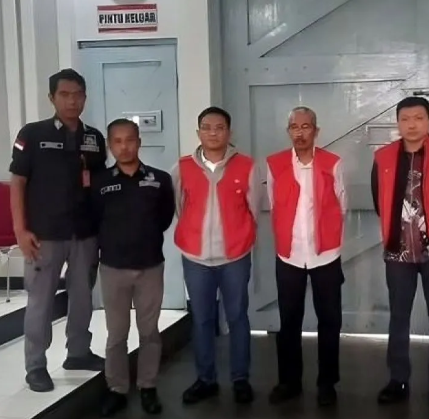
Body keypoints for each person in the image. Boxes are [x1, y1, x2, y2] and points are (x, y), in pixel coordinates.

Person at [8, 69, 106, 392]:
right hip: (44, 235)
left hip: (85, 233)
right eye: (64, 94)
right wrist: (20, 230)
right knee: (41, 301)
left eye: (78, 94)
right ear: (51, 98)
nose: (72, 101)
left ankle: (78, 353)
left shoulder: (94, 138)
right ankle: (36, 365)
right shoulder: (32, 134)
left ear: (85, 97)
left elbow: (99, 186)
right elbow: (17, 184)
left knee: (83, 297)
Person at [371, 97, 429, 408]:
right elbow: (378, 199)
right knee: (398, 318)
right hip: (397, 253)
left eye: (418, 118)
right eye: (405, 118)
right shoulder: (383, 157)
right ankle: (397, 380)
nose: (411, 124)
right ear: (398, 122)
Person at [172, 106, 259, 405]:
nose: (213, 133)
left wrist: (241, 239)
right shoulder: (182, 167)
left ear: (229, 132)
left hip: (234, 257)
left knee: (238, 317)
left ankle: (240, 379)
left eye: (219, 127)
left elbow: (254, 209)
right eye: (207, 127)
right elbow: (180, 208)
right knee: (202, 319)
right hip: (196, 259)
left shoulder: (247, 166)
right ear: (198, 133)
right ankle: (205, 379)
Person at [91, 119, 175, 416]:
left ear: (139, 142)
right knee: (116, 334)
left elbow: (165, 217)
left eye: (130, 140)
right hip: (113, 268)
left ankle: (148, 386)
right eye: (117, 141)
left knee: (149, 331)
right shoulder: (99, 182)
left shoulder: (160, 179)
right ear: (110, 145)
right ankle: (116, 388)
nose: (124, 146)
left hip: (150, 266)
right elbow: (93, 220)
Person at [266, 106, 346, 407]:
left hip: (326, 255)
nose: (299, 133)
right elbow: (273, 205)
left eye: (306, 126)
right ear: (288, 131)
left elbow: (342, 205)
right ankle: (289, 382)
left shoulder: (333, 164)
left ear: (316, 130)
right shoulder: (275, 164)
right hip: (289, 255)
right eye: (294, 127)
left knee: (330, 321)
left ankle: (327, 384)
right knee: (289, 321)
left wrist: (328, 236)